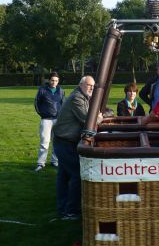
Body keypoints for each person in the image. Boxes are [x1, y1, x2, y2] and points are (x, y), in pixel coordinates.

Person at [52, 76, 103, 220]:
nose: (91, 88)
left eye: (93, 86)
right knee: (77, 174)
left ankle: (63, 208)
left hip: (63, 141)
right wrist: (98, 118)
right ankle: (71, 211)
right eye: (88, 85)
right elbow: (87, 120)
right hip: (64, 142)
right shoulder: (77, 98)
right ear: (81, 85)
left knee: (63, 175)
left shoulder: (82, 97)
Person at [34, 72, 65, 172]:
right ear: (49, 80)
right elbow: (37, 103)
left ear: (58, 81)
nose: (54, 82)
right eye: (52, 80)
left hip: (57, 120)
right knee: (44, 142)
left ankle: (55, 161)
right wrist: (42, 114)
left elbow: (63, 104)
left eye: (56, 80)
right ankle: (41, 163)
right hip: (46, 120)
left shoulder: (61, 90)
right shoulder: (42, 90)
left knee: (56, 142)